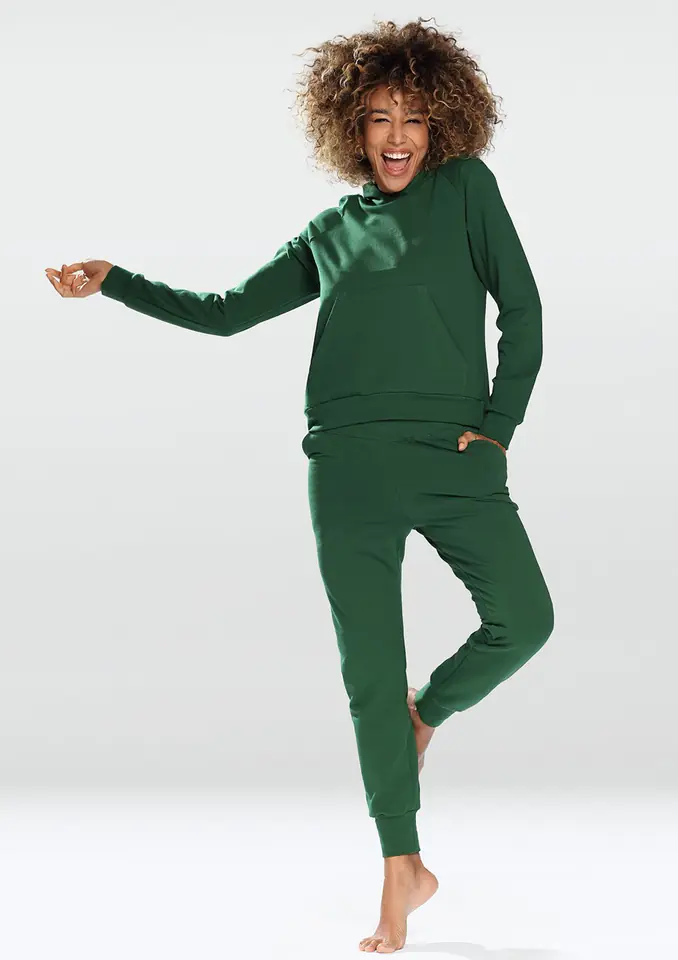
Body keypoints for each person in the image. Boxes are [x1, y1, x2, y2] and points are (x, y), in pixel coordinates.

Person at [45, 17, 554, 954]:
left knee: (525, 620)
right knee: (368, 674)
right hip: (347, 468)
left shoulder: (467, 190)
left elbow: (521, 310)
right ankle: (401, 870)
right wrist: (117, 280)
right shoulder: (330, 232)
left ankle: (428, 712)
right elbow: (226, 314)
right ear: (350, 128)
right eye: (378, 118)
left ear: (441, 123)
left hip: (454, 457)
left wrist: (498, 429)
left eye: (412, 117)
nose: (396, 136)